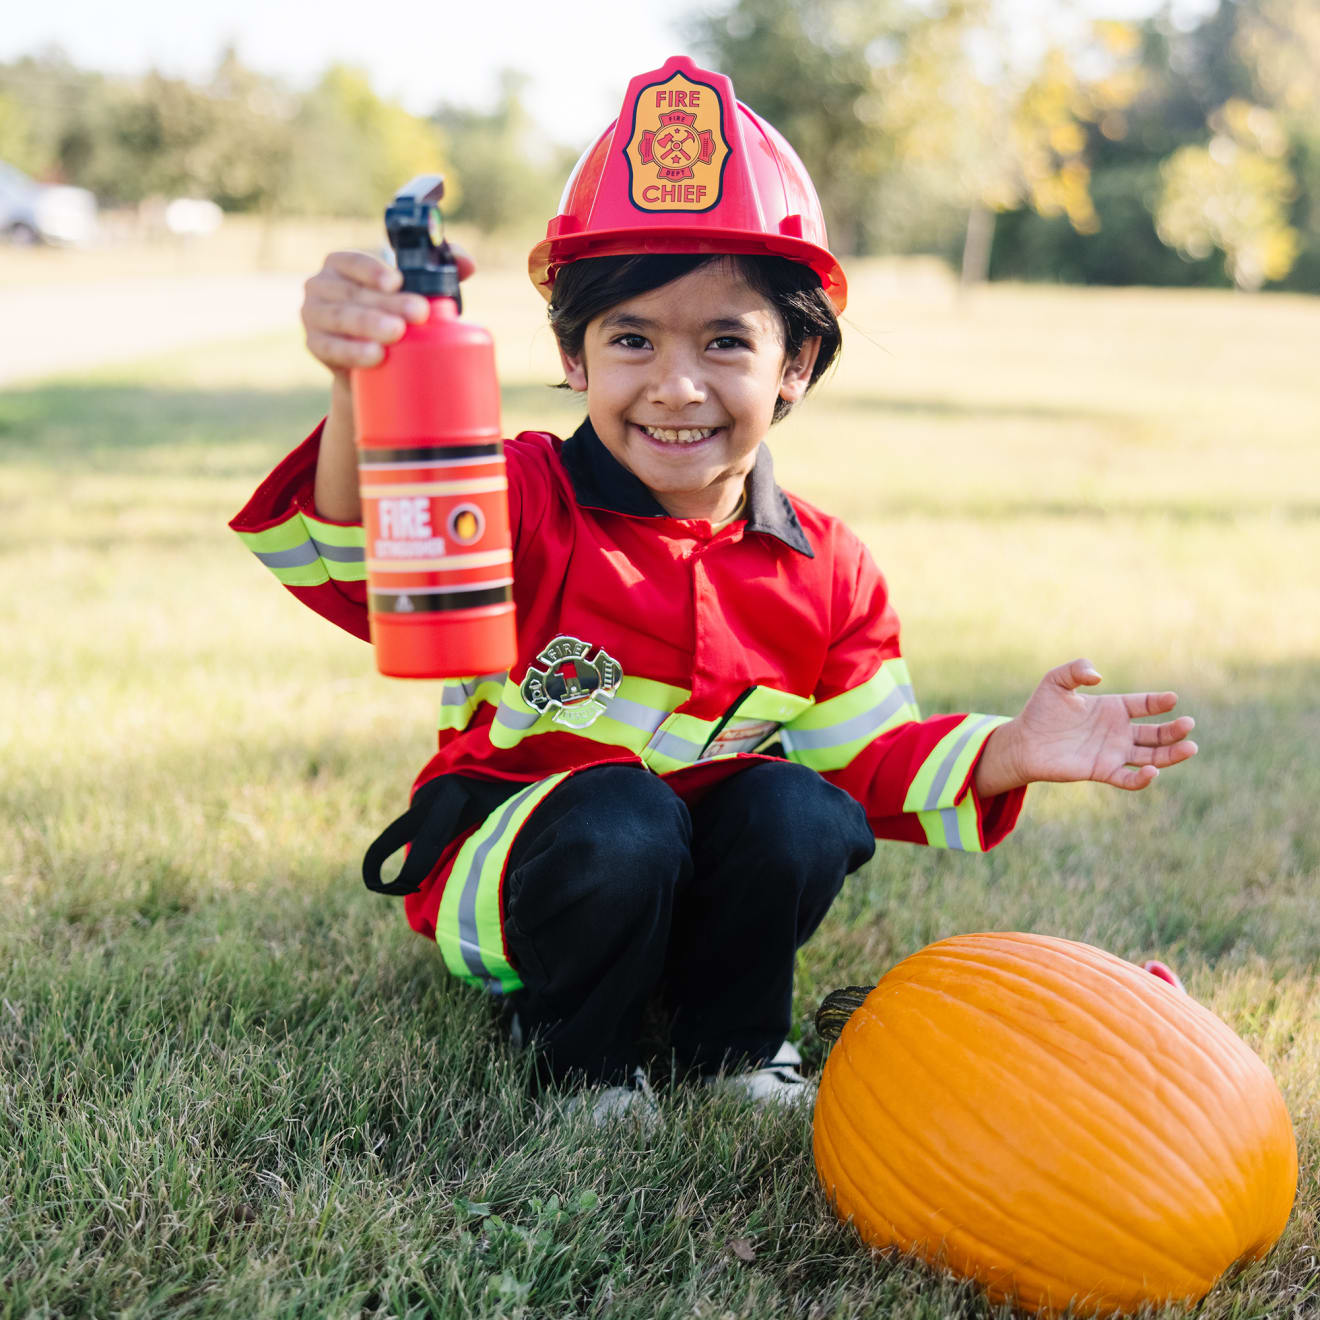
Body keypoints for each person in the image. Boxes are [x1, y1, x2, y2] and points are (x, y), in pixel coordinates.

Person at [230, 57, 1197, 1123]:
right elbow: (369, 561)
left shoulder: (826, 568)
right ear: (575, 356)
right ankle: (578, 1060)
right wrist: (357, 380)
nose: (677, 385)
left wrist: (1011, 747)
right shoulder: (519, 495)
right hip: (514, 871)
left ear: (796, 363)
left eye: (727, 341)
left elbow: (864, 761)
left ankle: (734, 1044)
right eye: (631, 338)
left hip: (684, 883)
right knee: (623, 815)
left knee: (800, 808)